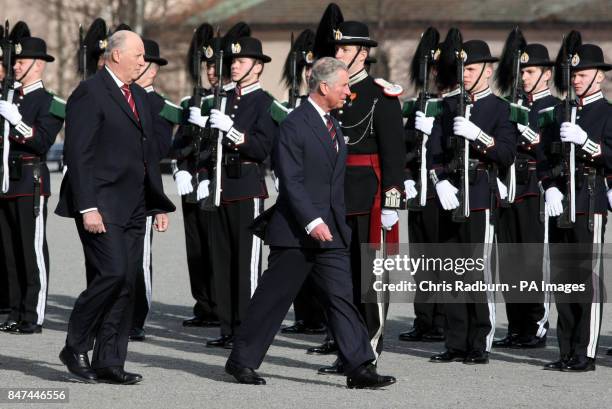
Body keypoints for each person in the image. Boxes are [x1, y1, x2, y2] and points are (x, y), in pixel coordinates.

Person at [225, 57, 395, 389]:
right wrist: (312, 220)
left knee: (341, 298)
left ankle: (359, 366)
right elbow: (291, 181)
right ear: (324, 87)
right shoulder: (294, 124)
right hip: (297, 233)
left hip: (330, 231)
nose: (349, 91)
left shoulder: (334, 124)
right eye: (344, 85)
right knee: (272, 300)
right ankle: (241, 361)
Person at [56, 30, 175, 384]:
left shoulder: (139, 95)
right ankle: (75, 344)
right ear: (116, 55)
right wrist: (87, 207)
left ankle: (109, 360)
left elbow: (147, 153)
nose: (144, 61)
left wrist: (157, 204)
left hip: (135, 203)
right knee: (112, 273)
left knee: (127, 283)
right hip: (101, 203)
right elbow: (77, 155)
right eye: (139, 55)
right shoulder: (90, 93)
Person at [428, 39, 517, 365]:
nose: (465, 75)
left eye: (472, 68)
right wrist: (438, 183)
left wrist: (477, 135)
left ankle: (479, 341)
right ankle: (455, 342)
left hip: (480, 195)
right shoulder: (450, 106)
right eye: (463, 69)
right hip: (452, 195)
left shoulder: (500, 108)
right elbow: (433, 153)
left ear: (488, 70)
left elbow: (506, 152)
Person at [193, 36, 280, 349]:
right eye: (232, 62)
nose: (234, 66)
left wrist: (231, 130)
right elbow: (205, 148)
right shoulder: (222, 99)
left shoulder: (265, 102)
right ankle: (228, 329)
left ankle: (248, 330)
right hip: (220, 187)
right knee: (222, 262)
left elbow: (260, 148)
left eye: (241, 62)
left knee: (246, 266)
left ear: (257, 67)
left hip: (246, 186)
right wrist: (202, 175)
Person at [540, 39, 611, 372]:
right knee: (563, 280)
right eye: (574, 73)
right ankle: (566, 349)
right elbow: (544, 158)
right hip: (561, 205)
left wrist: (587, 143)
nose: (577, 79)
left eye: (583, 73)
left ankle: (587, 351)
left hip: (589, 202)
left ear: (600, 77)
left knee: (586, 281)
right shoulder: (559, 112)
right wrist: (550, 187)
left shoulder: (607, 113)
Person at [494, 41, 559, 349]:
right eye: (522, 71)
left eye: (531, 71)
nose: (524, 77)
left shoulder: (554, 109)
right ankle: (517, 325)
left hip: (536, 187)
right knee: (509, 261)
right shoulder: (511, 105)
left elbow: (554, 151)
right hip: (509, 187)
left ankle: (535, 325)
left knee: (532, 259)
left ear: (546, 74)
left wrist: (531, 136)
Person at [0, 35, 65, 334]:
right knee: (10, 252)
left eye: (21, 62)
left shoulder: (50, 102)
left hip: (30, 181)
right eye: (14, 62)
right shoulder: (9, 97)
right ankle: (14, 311)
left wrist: (15, 121)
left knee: (31, 249)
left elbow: (40, 141)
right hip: (5, 181)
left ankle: (33, 314)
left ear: (38, 65)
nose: (15, 67)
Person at [130, 38, 178, 341]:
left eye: (155, 65)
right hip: (115, 189)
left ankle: (136, 316)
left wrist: (159, 204)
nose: (151, 70)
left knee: (139, 259)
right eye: (147, 63)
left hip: (144, 190)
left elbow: (157, 152)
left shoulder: (161, 107)